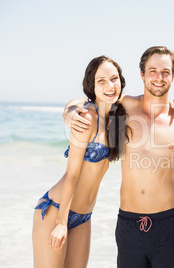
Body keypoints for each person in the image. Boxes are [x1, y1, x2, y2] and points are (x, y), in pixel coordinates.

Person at [64, 46, 174, 268]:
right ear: (142, 75)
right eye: (153, 70)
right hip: (129, 224)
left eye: (165, 71)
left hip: (168, 223)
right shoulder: (125, 106)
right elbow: (89, 100)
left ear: (172, 76)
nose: (159, 77)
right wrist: (71, 112)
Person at [32, 56, 130, 267]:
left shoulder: (117, 118)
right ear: (92, 86)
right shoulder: (85, 117)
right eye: (101, 81)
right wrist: (60, 223)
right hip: (56, 210)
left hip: (84, 217)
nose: (109, 85)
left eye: (114, 79)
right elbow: (73, 174)